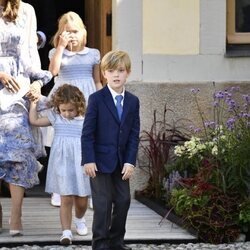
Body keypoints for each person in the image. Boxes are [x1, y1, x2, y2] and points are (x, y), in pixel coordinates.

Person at [0, 0, 52, 236]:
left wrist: (37, 81)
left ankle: (16, 214)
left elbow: (30, 52)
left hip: (17, 91)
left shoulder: (27, 10)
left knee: (19, 155)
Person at [81, 50, 140, 250]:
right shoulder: (97, 99)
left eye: (121, 70)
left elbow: (133, 134)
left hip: (122, 162)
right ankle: (100, 244)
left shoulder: (133, 101)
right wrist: (88, 159)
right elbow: (87, 133)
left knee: (123, 201)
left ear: (128, 73)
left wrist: (130, 161)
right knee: (103, 204)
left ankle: (116, 241)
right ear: (104, 74)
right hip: (98, 161)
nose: (116, 75)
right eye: (111, 70)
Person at [46, 11, 102, 207]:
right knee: (61, 141)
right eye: (67, 32)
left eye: (75, 31)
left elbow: (97, 80)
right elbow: (53, 72)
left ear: (83, 32)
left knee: (87, 141)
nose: (72, 35)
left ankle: (89, 190)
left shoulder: (93, 54)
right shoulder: (56, 53)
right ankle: (59, 189)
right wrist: (61, 47)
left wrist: (102, 102)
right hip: (63, 99)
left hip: (85, 100)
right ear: (60, 34)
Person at [29, 84, 91, 245]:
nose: (67, 113)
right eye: (63, 110)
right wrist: (34, 103)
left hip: (80, 162)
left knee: (82, 199)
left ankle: (79, 218)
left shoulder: (85, 119)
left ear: (79, 106)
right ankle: (66, 231)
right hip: (62, 163)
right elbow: (34, 120)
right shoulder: (55, 117)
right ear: (58, 107)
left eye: (71, 110)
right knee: (66, 198)